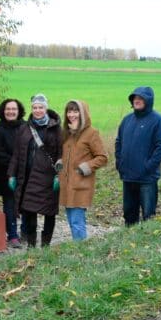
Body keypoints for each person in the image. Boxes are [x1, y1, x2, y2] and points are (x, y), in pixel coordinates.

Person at [7, 93, 62, 248]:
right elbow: (16, 154)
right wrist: (11, 174)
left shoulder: (55, 128)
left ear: (46, 108)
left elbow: (61, 154)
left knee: (49, 213)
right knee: (29, 211)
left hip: (48, 178)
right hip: (28, 177)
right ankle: (31, 246)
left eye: (41, 107)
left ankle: (45, 245)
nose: (37, 110)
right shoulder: (24, 128)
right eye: (35, 107)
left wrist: (59, 175)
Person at [115, 86, 161, 226]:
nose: (137, 100)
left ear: (148, 100)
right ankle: (128, 242)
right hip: (128, 176)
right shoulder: (127, 120)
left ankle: (147, 244)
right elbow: (119, 141)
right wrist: (119, 162)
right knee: (129, 214)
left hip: (147, 178)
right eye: (135, 98)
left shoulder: (158, 121)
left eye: (141, 98)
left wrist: (148, 167)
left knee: (148, 216)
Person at [60, 100, 108, 240]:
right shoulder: (67, 132)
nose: (72, 114)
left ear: (83, 113)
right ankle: (79, 249)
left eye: (75, 111)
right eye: (69, 111)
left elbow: (102, 157)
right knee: (71, 220)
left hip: (81, 184)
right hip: (67, 185)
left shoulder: (91, 133)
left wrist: (85, 167)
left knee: (76, 221)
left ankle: (80, 252)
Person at [0, 98, 26, 249]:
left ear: (19, 112)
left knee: (26, 203)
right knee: (10, 205)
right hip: (6, 174)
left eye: (14, 109)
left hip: (25, 172)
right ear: (2, 111)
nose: (11, 112)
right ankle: (12, 235)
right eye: (8, 109)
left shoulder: (26, 127)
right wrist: (16, 164)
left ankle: (26, 232)